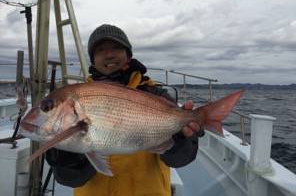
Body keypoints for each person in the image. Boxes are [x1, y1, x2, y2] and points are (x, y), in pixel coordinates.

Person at [46, 24, 204, 196]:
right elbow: (69, 180)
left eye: (116, 47)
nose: (109, 54)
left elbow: (181, 160)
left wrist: (181, 140)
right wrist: (65, 157)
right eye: (100, 50)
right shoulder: (78, 101)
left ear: (128, 55)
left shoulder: (156, 95)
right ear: (93, 59)